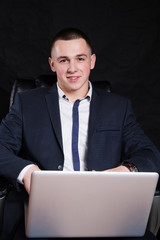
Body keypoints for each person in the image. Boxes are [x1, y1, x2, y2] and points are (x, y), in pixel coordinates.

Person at [0, 28, 160, 240]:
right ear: (52, 64)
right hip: (46, 210)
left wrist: (123, 171)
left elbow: (149, 153)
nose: (72, 68)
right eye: (64, 60)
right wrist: (27, 172)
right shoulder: (27, 104)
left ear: (92, 61)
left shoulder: (117, 108)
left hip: (105, 209)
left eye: (80, 58)